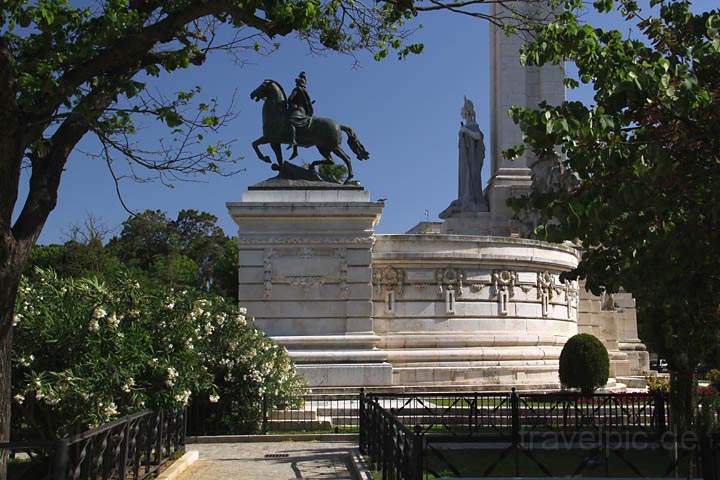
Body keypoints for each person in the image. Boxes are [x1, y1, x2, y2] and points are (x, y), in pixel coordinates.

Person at [287, 72, 314, 160]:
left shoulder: (297, 89)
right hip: (304, 111)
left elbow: (290, 99)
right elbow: (308, 102)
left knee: (290, 121)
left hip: (297, 111)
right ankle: (295, 150)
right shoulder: (304, 90)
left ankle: (293, 141)